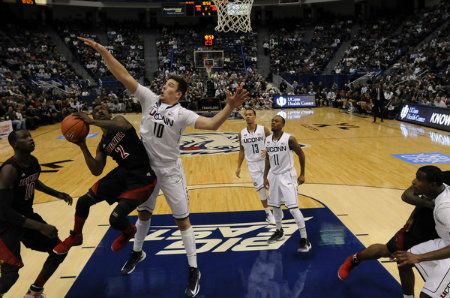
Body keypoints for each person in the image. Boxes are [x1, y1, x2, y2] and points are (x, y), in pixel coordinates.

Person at [78, 36, 249, 297]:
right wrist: (103, 52)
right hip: (144, 172)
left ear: (178, 94)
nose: (164, 86)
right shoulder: (148, 99)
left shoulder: (183, 114)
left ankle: (194, 269)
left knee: (182, 221)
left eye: (169, 85)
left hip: (169, 172)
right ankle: (137, 252)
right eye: (165, 83)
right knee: (144, 215)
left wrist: (229, 106)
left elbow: (213, 125)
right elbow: (122, 74)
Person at [53, 104, 157, 256]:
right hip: (123, 174)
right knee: (83, 201)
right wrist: (82, 145)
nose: (99, 111)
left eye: (103, 109)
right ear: (92, 116)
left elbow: (121, 124)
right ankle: (76, 236)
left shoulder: (119, 121)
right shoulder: (102, 144)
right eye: (95, 111)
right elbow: (96, 170)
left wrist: (92, 122)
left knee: (115, 220)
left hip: (141, 176)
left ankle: (129, 232)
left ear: (110, 114)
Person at [337, 171, 450, 297]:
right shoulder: (442, 177)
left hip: (443, 232)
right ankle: (354, 260)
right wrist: (428, 205)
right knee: (395, 255)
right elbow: (407, 195)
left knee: (434, 269)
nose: (414, 181)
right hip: (422, 226)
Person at [0, 130, 72, 298]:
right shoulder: (8, 170)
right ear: (15, 144)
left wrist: (57, 193)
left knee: (58, 249)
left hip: (25, 216)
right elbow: (4, 211)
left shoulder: (32, 161)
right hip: (5, 224)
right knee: (11, 274)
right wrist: (40, 226)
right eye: (24, 137)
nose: (30, 139)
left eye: (30, 135)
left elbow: (33, 181)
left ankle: (34, 292)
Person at [393, 166, 450, 298]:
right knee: (404, 260)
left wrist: (419, 257)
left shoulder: (444, 208)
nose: (413, 182)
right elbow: (407, 195)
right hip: (445, 242)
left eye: (419, 180)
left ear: (432, 185)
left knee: (426, 296)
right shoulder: (441, 189)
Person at [263, 115, 311, 253]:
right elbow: (267, 159)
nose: (273, 122)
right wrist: (265, 176)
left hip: (287, 176)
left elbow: (301, 154)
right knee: (275, 206)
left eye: (276, 121)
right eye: (272, 120)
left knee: (293, 209)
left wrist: (302, 174)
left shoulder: (289, 139)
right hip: (274, 176)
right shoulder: (267, 140)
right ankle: (279, 230)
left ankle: (304, 239)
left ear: (282, 124)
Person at [236, 108, 275, 225]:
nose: (248, 116)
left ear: (255, 116)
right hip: (252, 165)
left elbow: (274, 141)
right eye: (246, 115)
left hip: (265, 162)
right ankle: (269, 213)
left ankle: (276, 209)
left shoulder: (263, 130)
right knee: (261, 190)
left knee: (272, 187)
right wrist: (238, 167)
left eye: (250, 114)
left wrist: (268, 150)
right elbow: (241, 150)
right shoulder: (241, 133)